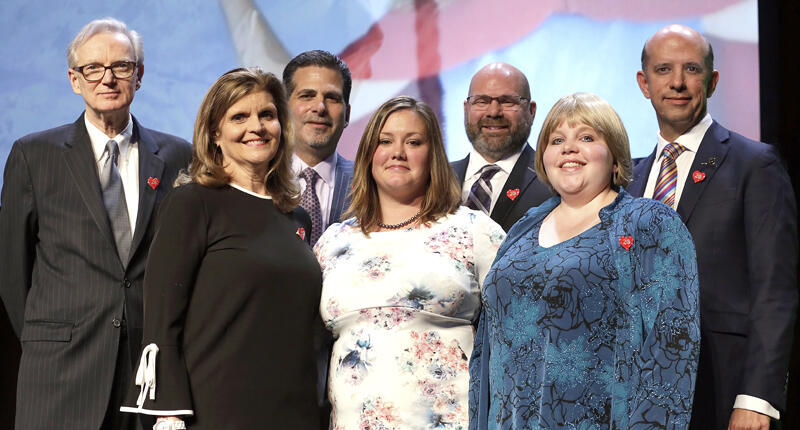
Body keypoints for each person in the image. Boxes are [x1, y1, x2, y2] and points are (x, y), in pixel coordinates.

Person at [0, 18, 191, 430]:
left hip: (146, 371)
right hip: (59, 371)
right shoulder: (33, 155)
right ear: (75, 79)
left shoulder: (178, 156)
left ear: (139, 76)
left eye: (121, 67)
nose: (107, 78)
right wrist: (49, 335)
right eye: (93, 69)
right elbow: (12, 272)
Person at [469, 92, 700, 429]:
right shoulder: (521, 230)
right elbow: (486, 352)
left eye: (587, 137)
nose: (569, 148)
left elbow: (672, 348)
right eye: (557, 139)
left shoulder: (648, 223)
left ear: (615, 156)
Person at [119, 68, 321, 429]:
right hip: (216, 408)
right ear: (215, 134)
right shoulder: (191, 203)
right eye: (239, 117)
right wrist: (169, 411)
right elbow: (163, 316)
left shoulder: (297, 219)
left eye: (267, 115)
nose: (256, 127)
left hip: (294, 410)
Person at [629, 24, 798, 430]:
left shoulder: (754, 164)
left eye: (691, 69)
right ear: (644, 83)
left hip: (722, 387)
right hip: (637, 393)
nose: (678, 83)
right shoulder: (629, 179)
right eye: (664, 70)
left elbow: (774, 291)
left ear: (713, 80)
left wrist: (757, 397)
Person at [314, 96, 505, 428]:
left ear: (433, 156)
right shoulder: (333, 241)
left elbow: (513, 335)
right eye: (384, 141)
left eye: (413, 142)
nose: (397, 152)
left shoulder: (475, 231)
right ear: (368, 155)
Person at [451, 62, 551, 232]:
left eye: (507, 101)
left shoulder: (553, 181)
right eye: (482, 101)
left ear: (531, 111)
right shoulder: (433, 179)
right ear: (466, 109)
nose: (494, 112)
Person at [284, 50, 355, 245]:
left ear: (347, 115)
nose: (320, 107)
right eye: (307, 96)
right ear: (283, 108)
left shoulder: (372, 185)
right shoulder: (255, 180)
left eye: (332, 98)